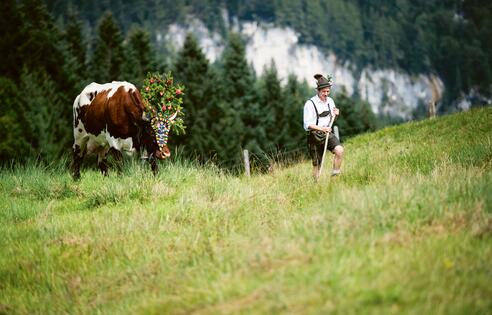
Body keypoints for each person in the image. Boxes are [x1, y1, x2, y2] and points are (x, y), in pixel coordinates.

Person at [303, 73, 344, 180]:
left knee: (339, 150)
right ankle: (316, 185)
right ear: (318, 91)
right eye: (323, 92)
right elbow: (307, 125)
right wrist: (322, 128)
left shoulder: (330, 101)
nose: (326, 94)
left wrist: (336, 115)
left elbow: (332, 120)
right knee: (317, 164)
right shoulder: (310, 104)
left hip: (327, 133)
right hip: (314, 135)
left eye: (328, 91)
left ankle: (335, 176)